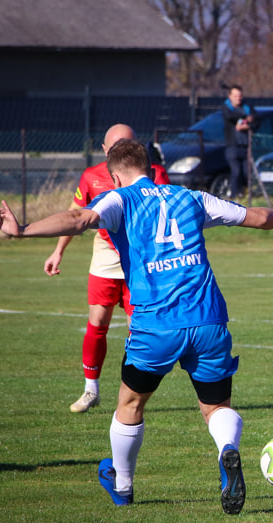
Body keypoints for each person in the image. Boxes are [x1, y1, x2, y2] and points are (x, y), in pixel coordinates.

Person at [0, 139, 273, 515]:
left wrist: (22, 230)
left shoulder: (120, 199)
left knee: (130, 404)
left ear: (115, 175)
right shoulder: (192, 197)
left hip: (156, 326)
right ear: (149, 166)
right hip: (208, 319)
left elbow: (78, 219)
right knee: (216, 407)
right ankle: (227, 450)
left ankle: (124, 484)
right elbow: (259, 218)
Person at [45, 124, 171, 414]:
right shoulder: (91, 176)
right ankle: (91, 390)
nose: (120, 149)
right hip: (104, 258)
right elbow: (75, 216)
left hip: (140, 262)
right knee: (97, 324)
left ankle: (128, 394)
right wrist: (58, 250)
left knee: (136, 329)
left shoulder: (155, 174)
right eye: (114, 145)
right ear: (104, 149)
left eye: (126, 143)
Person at [222, 85, 259, 200]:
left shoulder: (247, 107)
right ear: (230, 97)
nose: (238, 98)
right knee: (236, 172)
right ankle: (233, 195)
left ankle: (245, 195)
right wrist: (246, 118)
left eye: (240, 96)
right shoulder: (226, 108)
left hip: (246, 146)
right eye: (235, 96)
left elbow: (256, 120)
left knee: (246, 173)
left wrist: (246, 126)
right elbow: (230, 117)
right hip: (232, 147)